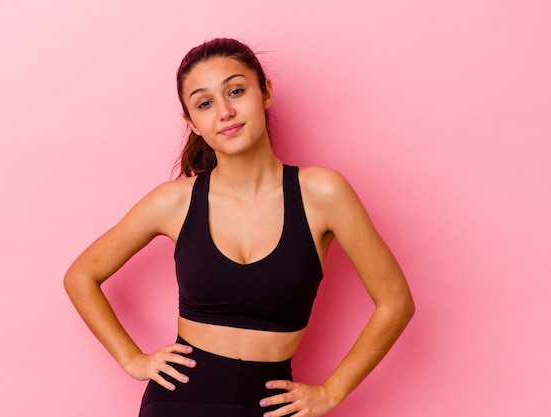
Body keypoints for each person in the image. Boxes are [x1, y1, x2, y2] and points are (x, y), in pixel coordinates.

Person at [64, 38, 415, 417]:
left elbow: (396, 303)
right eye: (205, 103)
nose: (225, 111)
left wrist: (331, 392)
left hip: (270, 408)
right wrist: (132, 359)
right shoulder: (174, 202)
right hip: (179, 402)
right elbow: (81, 275)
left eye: (236, 91)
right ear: (192, 123)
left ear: (265, 92)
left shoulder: (323, 193)